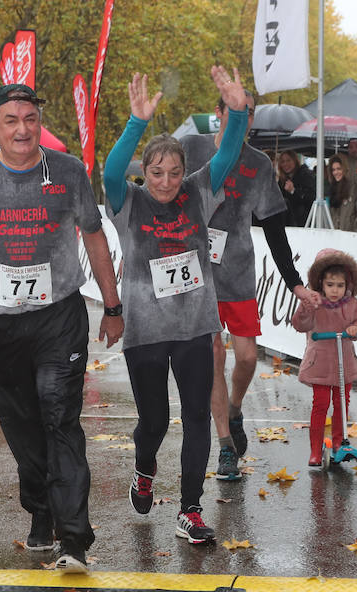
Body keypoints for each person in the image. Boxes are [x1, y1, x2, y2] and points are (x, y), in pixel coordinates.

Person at [0, 83, 124, 574]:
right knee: (23, 429)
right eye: (11, 120)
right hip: (2, 324)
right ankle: (40, 507)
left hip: (59, 317)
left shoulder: (67, 171)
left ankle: (74, 539)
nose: (22, 128)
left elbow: (94, 235)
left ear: (40, 122)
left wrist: (112, 303)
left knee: (60, 418)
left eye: (30, 119)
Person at [103, 66, 246, 544]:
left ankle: (190, 510)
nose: (165, 181)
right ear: (144, 171)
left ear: (186, 172)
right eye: (157, 172)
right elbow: (108, 171)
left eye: (174, 172)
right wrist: (136, 122)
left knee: (197, 418)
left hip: (194, 328)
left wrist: (239, 111)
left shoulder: (199, 194)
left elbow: (228, 155)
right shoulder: (129, 202)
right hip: (145, 330)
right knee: (155, 422)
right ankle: (144, 469)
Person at [181, 97, 319, 481]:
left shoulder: (258, 163)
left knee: (245, 357)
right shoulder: (192, 148)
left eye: (249, 112)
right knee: (213, 359)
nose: (244, 118)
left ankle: (236, 407)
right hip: (197, 274)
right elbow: (163, 199)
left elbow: (274, 227)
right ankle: (225, 446)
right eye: (235, 111)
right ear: (219, 113)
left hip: (238, 271)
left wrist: (295, 283)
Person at [291, 249, 357, 466]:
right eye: (330, 285)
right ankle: (315, 451)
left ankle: (338, 443)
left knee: (342, 403)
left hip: (344, 361)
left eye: (340, 285)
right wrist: (306, 309)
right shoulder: (314, 302)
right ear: (320, 283)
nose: (335, 290)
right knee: (321, 404)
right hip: (321, 363)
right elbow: (300, 324)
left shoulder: (351, 303)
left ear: (348, 285)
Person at [327, 154, 357, 232]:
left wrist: (355, 236)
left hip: (352, 237)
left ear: (346, 169)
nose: (336, 172)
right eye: (333, 169)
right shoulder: (333, 189)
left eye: (339, 169)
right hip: (336, 237)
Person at [278, 150, 316, 227]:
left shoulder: (306, 174)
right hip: (287, 222)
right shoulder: (282, 179)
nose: (285, 164)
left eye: (288, 160)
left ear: (295, 160)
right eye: (283, 161)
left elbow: (310, 197)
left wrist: (293, 191)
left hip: (304, 222)